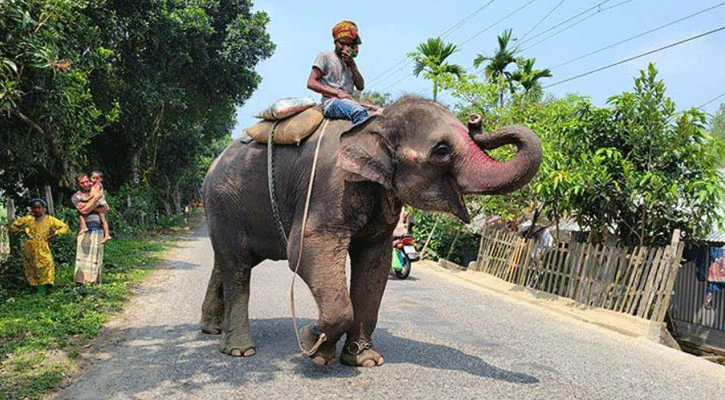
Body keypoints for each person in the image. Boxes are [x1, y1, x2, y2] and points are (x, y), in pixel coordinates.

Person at [307, 20, 372, 125]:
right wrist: (337, 92)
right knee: (358, 112)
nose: (344, 47)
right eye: (341, 43)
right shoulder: (325, 57)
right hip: (331, 103)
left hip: (349, 101)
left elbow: (360, 86)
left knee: (381, 114)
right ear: (335, 42)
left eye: (348, 44)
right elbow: (311, 83)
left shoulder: (350, 61)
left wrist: (352, 64)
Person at [8, 198, 69, 296]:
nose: (36, 210)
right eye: (34, 208)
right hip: (29, 247)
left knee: (46, 265)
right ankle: (35, 288)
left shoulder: (50, 220)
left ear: (44, 208)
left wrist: (55, 234)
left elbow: (64, 227)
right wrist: (22, 230)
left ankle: (44, 288)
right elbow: (13, 226)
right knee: (31, 267)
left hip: (43, 246)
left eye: (38, 208)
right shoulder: (28, 220)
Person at [72, 173, 107, 290]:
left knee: (96, 255)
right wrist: (96, 199)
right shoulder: (76, 196)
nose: (86, 184)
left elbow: (106, 208)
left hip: (98, 227)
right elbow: (83, 210)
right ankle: (81, 281)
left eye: (87, 181)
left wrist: (91, 205)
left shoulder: (95, 190)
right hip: (85, 228)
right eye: (82, 183)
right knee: (83, 256)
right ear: (78, 185)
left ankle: (94, 281)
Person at [78, 171, 111, 243]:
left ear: (100, 179)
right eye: (93, 178)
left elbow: (95, 196)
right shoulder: (93, 185)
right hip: (99, 203)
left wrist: (87, 200)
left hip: (98, 203)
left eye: (97, 178)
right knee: (103, 220)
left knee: (82, 213)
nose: (95, 180)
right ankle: (107, 235)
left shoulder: (98, 185)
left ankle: (84, 227)